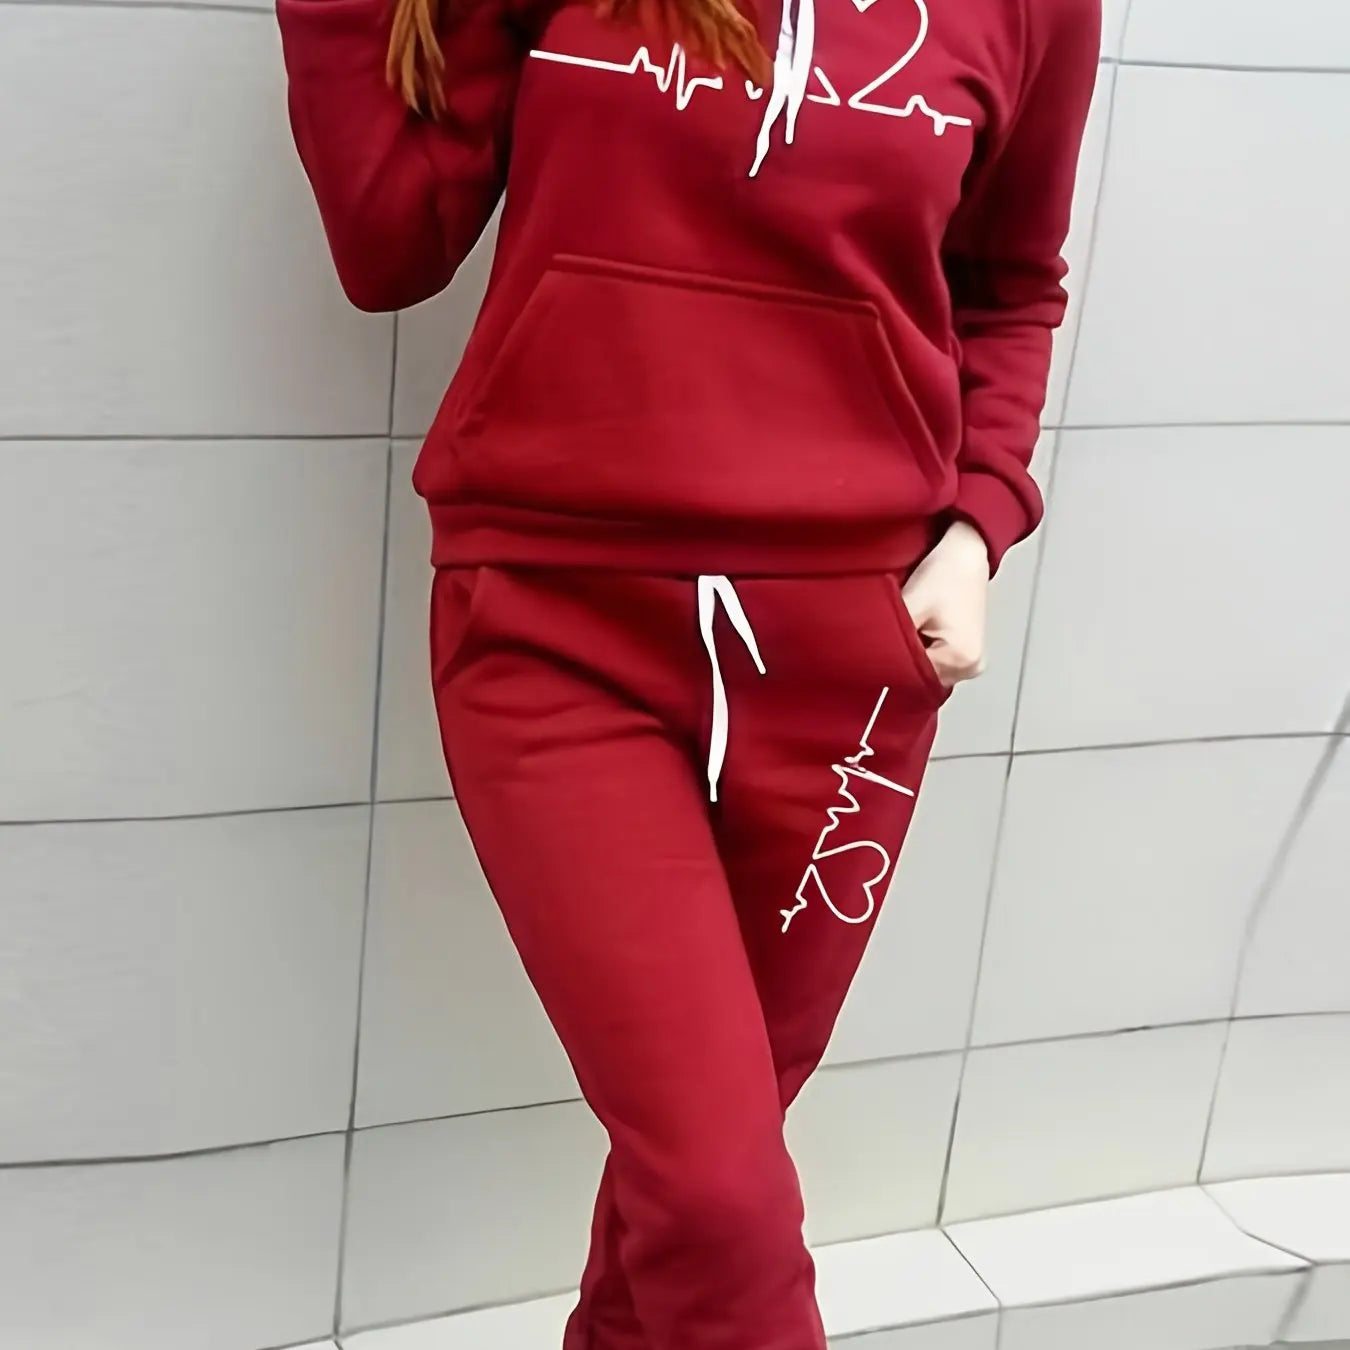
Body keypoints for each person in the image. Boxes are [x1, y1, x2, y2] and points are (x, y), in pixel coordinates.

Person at [277, 0, 1100, 1340]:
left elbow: (1008, 286)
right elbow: (387, 245)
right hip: (553, 619)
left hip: (847, 664)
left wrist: (975, 527)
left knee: (686, 1198)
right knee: (720, 1200)